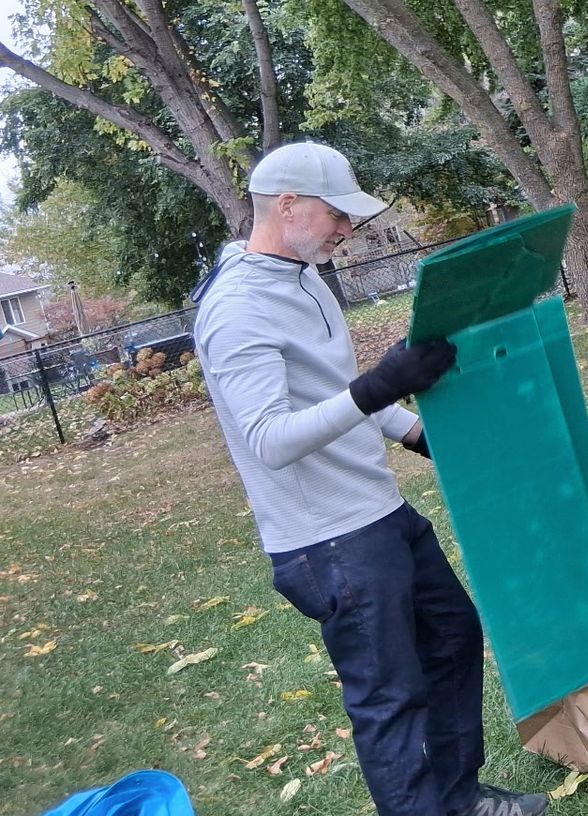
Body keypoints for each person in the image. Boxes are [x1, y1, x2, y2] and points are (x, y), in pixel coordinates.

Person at [193, 142, 547, 816]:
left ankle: (457, 797)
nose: (346, 231)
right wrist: (379, 385)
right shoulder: (238, 308)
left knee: (450, 635)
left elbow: (335, 390)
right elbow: (269, 439)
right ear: (287, 204)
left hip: (376, 513)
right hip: (327, 541)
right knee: (390, 698)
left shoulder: (299, 275)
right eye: (336, 214)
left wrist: (417, 433)